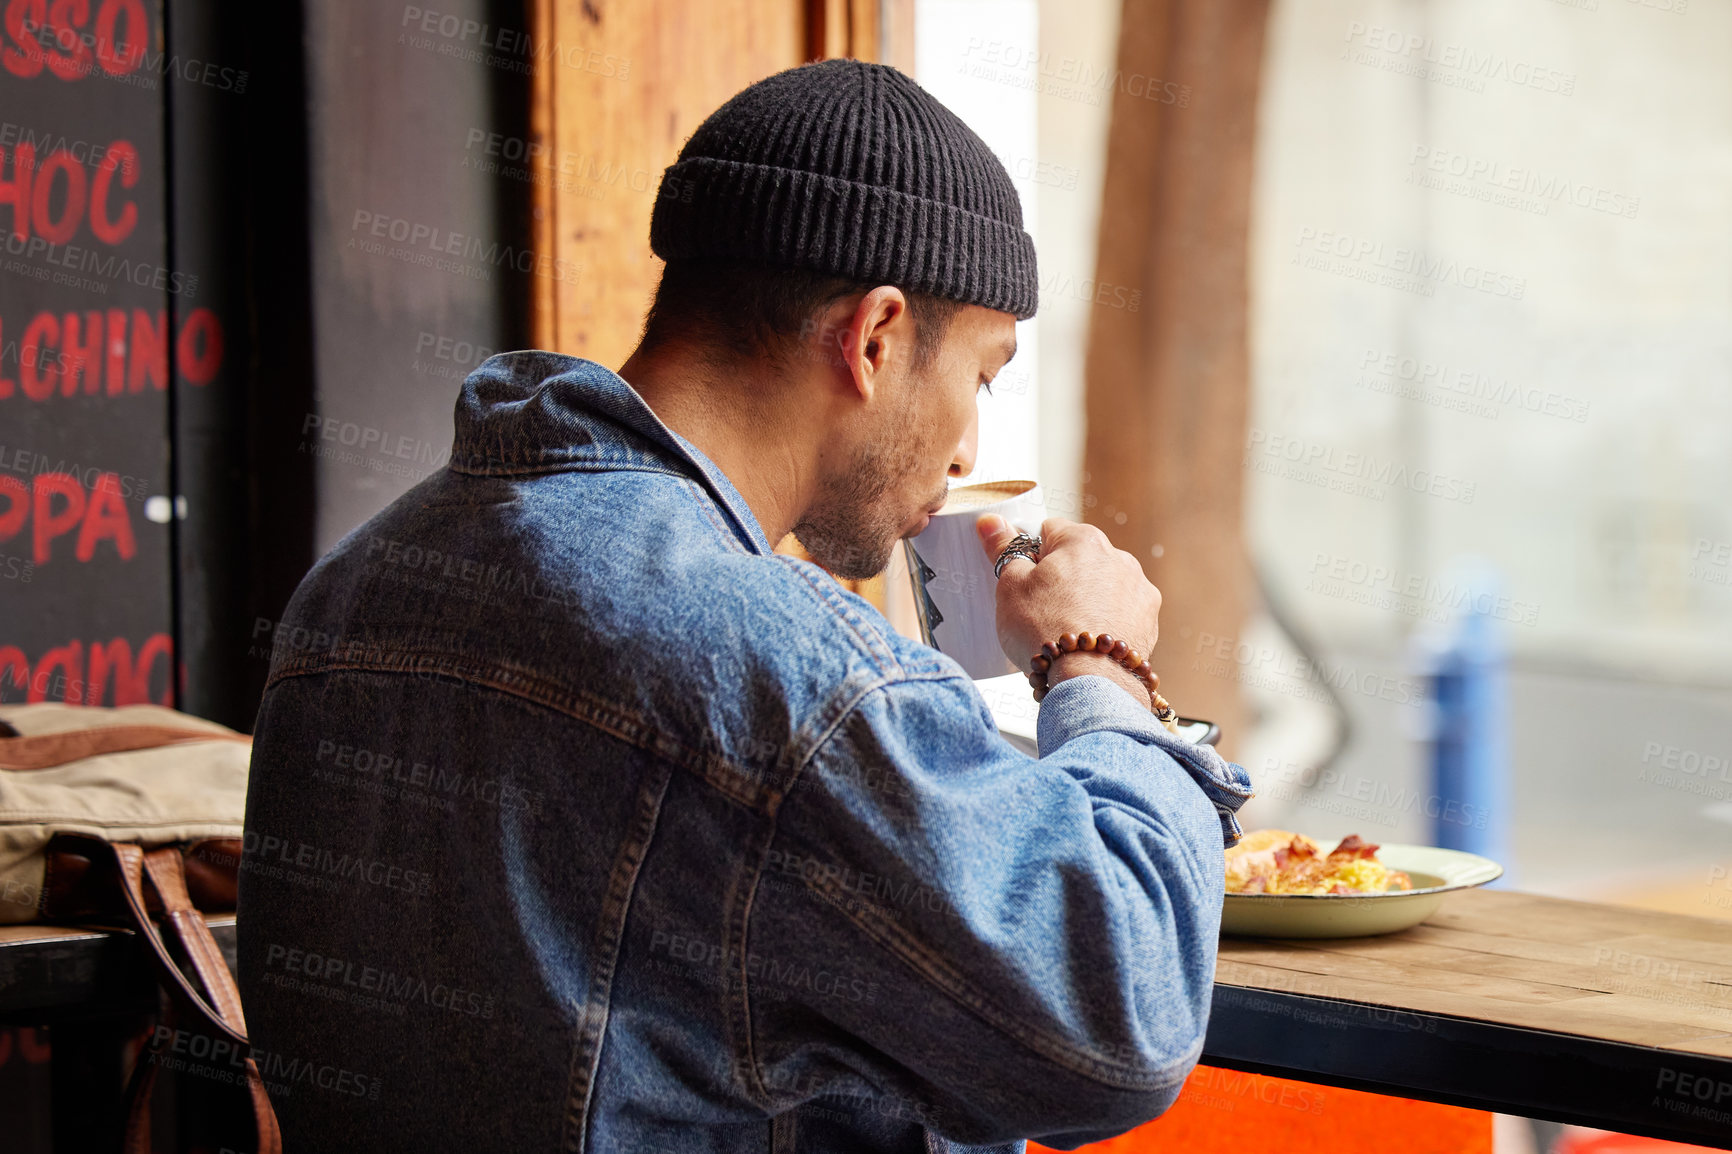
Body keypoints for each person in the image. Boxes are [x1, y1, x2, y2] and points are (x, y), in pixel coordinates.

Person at [239, 57, 1251, 1154]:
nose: (969, 450)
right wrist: (1095, 664)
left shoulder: (348, 588)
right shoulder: (790, 671)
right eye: (983, 375)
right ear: (874, 337)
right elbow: (1117, 1030)